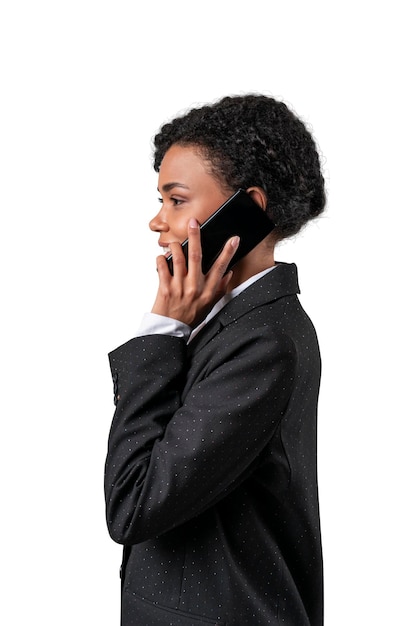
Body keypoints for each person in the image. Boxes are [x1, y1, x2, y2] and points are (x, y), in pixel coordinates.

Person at [105, 94, 326, 625]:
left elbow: (134, 504)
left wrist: (162, 329)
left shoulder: (263, 343)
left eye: (177, 200)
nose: (158, 222)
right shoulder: (229, 322)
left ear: (248, 207)